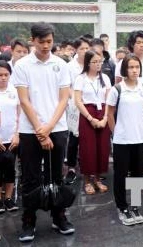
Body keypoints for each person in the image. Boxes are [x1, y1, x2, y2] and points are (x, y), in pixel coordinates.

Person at [13, 22, 74, 242]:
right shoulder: (22, 66)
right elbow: (24, 100)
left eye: (50, 41)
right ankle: (28, 222)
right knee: (30, 178)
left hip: (57, 128)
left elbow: (64, 98)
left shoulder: (60, 64)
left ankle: (59, 217)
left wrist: (49, 128)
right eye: (42, 42)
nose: (47, 46)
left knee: (56, 176)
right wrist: (41, 130)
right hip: (30, 131)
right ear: (33, 40)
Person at [107, 55, 143, 226]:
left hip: (140, 138)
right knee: (121, 175)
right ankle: (122, 206)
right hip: (122, 139)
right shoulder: (117, 89)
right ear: (124, 69)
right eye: (130, 67)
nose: (134, 70)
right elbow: (109, 113)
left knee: (138, 174)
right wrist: (116, 133)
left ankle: (136, 205)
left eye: (137, 67)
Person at [74, 50, 111, 195]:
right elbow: (78, 101)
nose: (98, 65)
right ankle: (87, 180)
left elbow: (109, 100)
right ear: (87, 63)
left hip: (103, 113)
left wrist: (105, 118)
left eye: (100, 62)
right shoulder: (81, 78)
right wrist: (91, 118)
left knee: (102, 147)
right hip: (87, 114)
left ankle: (97, 179)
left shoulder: (105, 78)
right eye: (94, 62)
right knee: (88, 148)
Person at [64, 37, 91, 185]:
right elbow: (66, 86)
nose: (85, 51)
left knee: (89, 139)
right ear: (76, 50)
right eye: (82, 48)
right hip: (75, 106)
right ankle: (72, 169)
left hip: (90, 105)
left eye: (87, 48)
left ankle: (89, 169)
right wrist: (76, 99)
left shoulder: (92, 63)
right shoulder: (69, 66)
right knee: (73, 140)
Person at [0, 61, 20, 213]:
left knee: (10, 168)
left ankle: (8, 198)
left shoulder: (15, 91)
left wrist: (17, 134)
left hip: (11, 138)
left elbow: (20, 115)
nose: (3, 78)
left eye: (6, 75)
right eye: (0, 75)